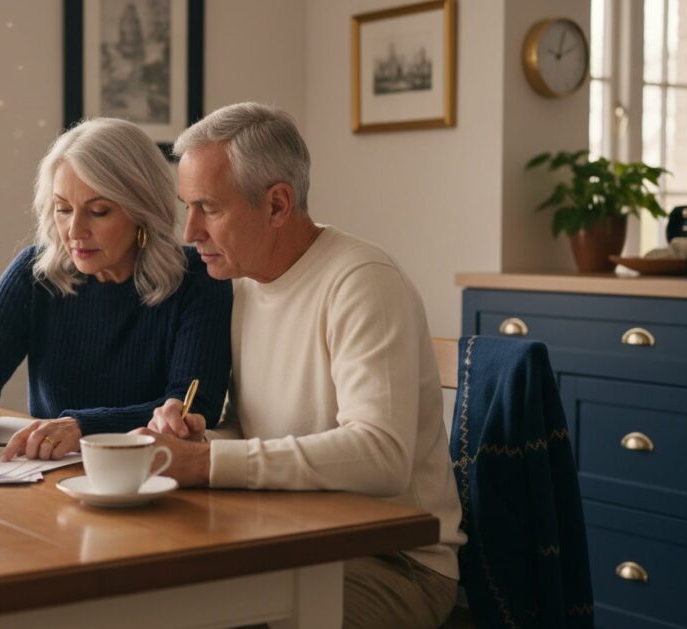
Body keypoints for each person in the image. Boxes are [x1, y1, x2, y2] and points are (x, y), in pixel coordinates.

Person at [139, 103, 465, 629]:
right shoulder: (243, 284)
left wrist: (205, 466)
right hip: (294, 538)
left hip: (396, 564)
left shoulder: (362, 281)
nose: (189, 232)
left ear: (276, 205)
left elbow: (381, 455)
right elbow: (261, 432)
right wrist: (201, 443)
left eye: (208, 208)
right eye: (187, 207)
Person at [0, 117, 231, 463]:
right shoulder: (36, 273)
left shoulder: (196, 277)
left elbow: (194, 406)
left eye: (98, 211)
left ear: (141, 210)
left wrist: (81, 427)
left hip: (150, 477)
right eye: (63, 209)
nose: (74, 230)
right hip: (43, 475)